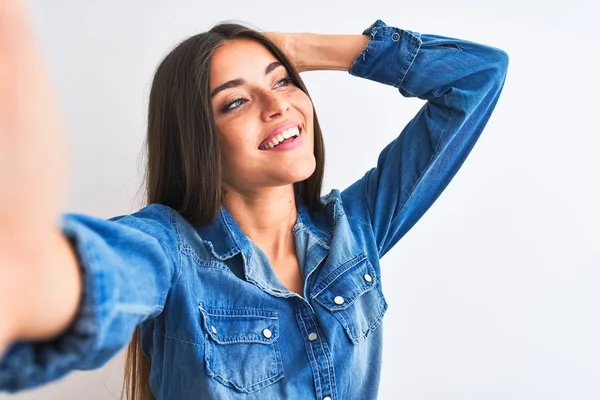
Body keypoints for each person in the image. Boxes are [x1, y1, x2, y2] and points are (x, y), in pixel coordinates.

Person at [0, 1, 509, 399]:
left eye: (283, 80)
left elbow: (477, 76)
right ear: (199, 138)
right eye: (236, 101)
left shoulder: (355, 229)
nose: (278, 104)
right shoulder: (169, 251)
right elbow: (98, 275)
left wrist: (297, 47)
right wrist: (25, 277)